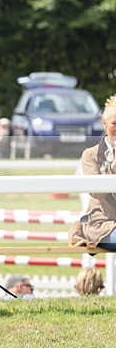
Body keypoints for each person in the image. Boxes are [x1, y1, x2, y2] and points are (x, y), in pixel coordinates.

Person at [70, 94, 116, 251]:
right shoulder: (90, 154)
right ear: (104, 124)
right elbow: (98, 193)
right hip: (102, 223)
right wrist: (113, 169)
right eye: (114, 123)